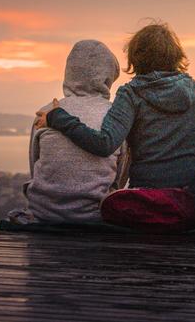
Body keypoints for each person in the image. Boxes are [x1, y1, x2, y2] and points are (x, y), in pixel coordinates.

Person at [35, 21, 195, 227]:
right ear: (176, 55)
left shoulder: (131, 94)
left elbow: (104, 144)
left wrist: (58, 117)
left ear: (136, 57)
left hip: (151, 205)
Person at [8, 40, 128, 224]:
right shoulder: (116, 117)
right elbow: (120, 176)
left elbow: (35, 166)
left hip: (44, 216)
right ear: (108, 78)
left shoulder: (47, 112)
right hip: (95, 218)